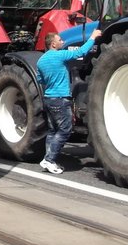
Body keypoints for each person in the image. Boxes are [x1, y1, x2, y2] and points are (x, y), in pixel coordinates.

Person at [36, 28, 102, 174]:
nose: (63, 41)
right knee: (65, 130)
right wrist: (92, 37)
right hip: (60, 99)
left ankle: (48, 160)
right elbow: (80, 53)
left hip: (48, 99)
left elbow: (40, 79)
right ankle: (49, 160)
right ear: (53, 44)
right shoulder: (60, 55)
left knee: (53, 131)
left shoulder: (41, 60)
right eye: (60, 40)